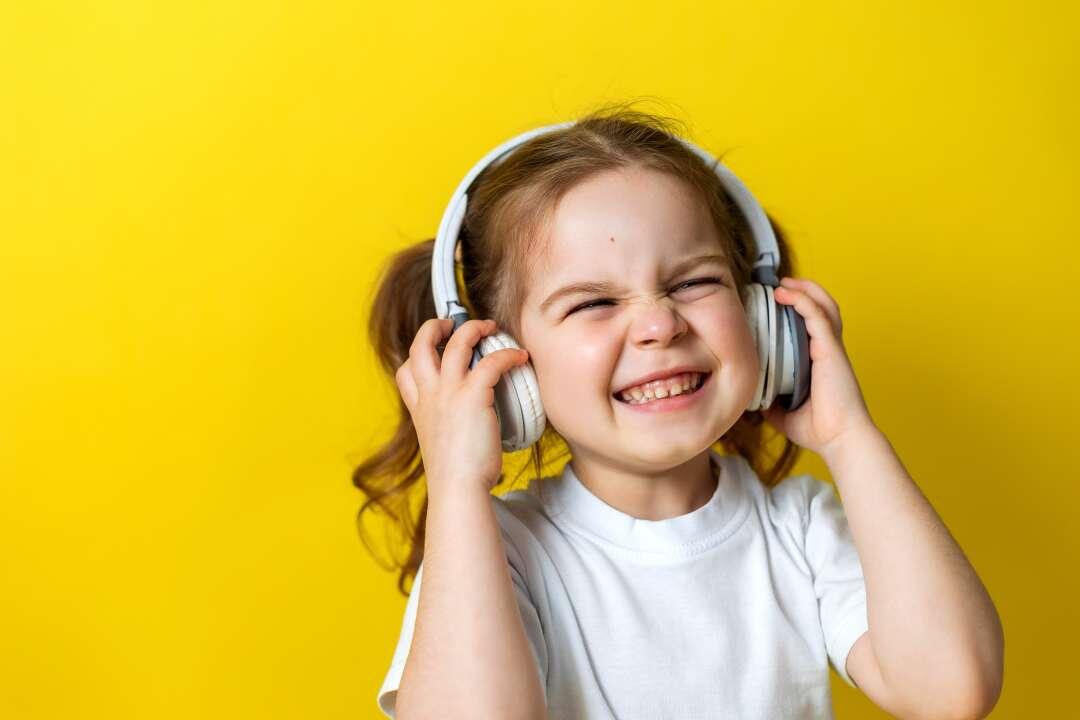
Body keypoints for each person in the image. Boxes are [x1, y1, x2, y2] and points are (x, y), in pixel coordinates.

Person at [354, 104, 1004, 719]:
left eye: (694, 282)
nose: (660, 324)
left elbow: (951, 689)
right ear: (502, 364)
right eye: (592, 303)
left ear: (761, 318)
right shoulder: (498, 554)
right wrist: (456, 484)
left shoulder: (800, 530)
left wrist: (848, 435)